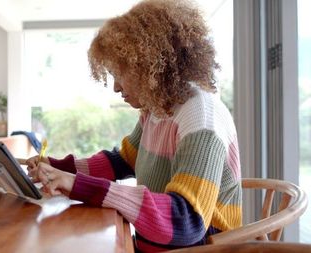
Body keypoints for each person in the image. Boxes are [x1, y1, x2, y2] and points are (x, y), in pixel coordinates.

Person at [26, 0, 242, 251]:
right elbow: (120, 162)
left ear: (150, 66)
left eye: (120, 73)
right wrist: (55, 167)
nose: (116, 87)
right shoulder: (157, 109)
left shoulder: (201, 117)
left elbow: (185, 222)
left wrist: (77, 184)